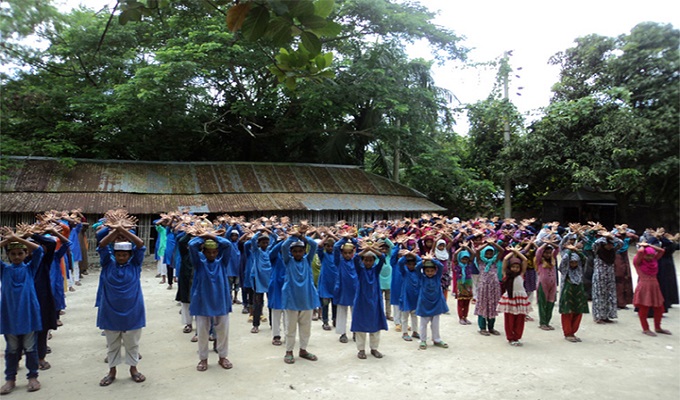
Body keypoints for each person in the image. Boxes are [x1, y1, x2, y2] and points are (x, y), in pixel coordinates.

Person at [96, 222, 147, 386]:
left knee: (132, 344)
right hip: (110, 311)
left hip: (133, 311)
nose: (122, 257)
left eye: (125, 254)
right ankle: (112, 371)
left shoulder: (135, 265)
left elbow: (140, 244)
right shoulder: (107, 264)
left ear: (130, 255)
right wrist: (115, 231)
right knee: (112, 345)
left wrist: (123, 230)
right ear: (114, 254)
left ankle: (133, 369)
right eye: (119, 254)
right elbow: (102, 244)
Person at [0, 230, 44, 394]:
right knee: (11, 349)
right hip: (10, 314)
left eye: (20, 253)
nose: (17, 257)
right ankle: (10, 379)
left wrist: (17, 238)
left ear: (26, 254)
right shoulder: (4, 270)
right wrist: (7, 241)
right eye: (13, 254)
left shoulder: (30, 268)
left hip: (28, 313)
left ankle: (33, 376)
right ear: (8, 256)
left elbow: (38, 250)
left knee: (30, 348)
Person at [188, 232, 233, 372]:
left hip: (221, 301)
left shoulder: (222, 263)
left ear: (218, 252)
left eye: (214, 252)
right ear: (204, 252)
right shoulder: (199, 263)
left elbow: (228, 244)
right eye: (209, 252)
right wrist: (203, 236)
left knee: (223, 331)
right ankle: (203, 359)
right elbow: (191, 245)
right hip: (203, 302)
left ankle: (222, 357)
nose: (212, 255)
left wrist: (212, 236)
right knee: (202, 332)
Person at [280, 227, 320, 364]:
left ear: (304, 251)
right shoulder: (288, 261)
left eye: (300, 251)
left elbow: (314, 245)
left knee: (306, 328)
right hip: (291, 300)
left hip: (307, 300)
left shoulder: (307, 260)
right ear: (291, 253)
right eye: (295, 251)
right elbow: (284, 246)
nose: (298, 253)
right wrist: (293, 237)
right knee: (290, 328)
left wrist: (302, 237)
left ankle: (303, 350)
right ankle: (289, 351)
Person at [352, 246, 388, 359]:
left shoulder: (376, 270)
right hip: (361, 302)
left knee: (375, 326)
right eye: (366, 260)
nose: (368, 262)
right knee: (360, 326)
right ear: (362, 261)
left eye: (371, 260)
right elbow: (355, 259)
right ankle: (361, 350)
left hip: (374, 301)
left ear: (373, 261)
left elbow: (382, 258)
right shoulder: (360, 270)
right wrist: (365, 250)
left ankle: (374, 348)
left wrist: (372, 249)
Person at [632, 243, 671, 336]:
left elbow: (662, 251)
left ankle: (658, 327)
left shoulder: (654, 261)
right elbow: (641, 252)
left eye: (652, 255)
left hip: (655, 286)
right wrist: (643, 246)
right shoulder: (638, 262)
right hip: (644, 287)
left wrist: (649, 245)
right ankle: (645, 328)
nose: (650, 257)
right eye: (648, 255)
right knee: (644, 308)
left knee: (659, 308)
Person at [497, 249, 531, 346]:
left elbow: (525, 260)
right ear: (509, 267)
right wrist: (512, 251)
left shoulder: (521, 274)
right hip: (510, 299)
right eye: (513, 267)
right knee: (509, 319)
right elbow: (504, 260)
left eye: (517, 267)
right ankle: (510, 337)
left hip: (520, 299)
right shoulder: (506, 275)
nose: (515, 269)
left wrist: (517, 252)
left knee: (520, 319)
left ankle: (517, 337)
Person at [415, 257, 450, 350]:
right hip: (424, 304)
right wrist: (423, 261)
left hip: (436, 304)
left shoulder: (437, 277)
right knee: (423, 324)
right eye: (427, 271)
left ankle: (436, 339)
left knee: (435, 324)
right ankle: (423, 340)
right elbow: (417, 268)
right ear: (424, 271)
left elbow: (441, 266)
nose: (430, 273)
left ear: (435, 270)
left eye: (432, 270)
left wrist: (432, 259)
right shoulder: (422, 278)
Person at [558, 247, 589, 342]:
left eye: (575, 262)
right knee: (568, 313)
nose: (573, 264)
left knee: (578, 313)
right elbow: (564, 260)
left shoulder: (580, 271)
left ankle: (573, 332)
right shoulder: (565, 271)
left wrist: (576, 250)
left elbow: (585, 259)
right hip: (568, 294)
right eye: (571, 262)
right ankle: (568, 333)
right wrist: (569, 251)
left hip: (579, 294)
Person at [474, 241, 504, 336]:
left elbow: (501, 250)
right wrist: (487, 244)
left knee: (492, 306)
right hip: (484, 287)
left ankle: (491, 327)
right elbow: (478, 250)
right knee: (483, 306)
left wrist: (493, 244)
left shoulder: (494, 261)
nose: (489, 255)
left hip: (494, 287)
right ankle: (482, 327)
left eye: (491, 253)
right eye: (487, 253)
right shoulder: (480, 261)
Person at [592, 233, 623, 323]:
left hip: (610, 276)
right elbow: (595, 244)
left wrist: (612, 237)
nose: (610, 246)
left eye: (611, 244)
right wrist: (604, 237)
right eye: (607, 244)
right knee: (599, 296)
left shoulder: (612, 251)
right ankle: (598, 317)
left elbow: (621, 243)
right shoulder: (598, 251)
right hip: (599, 277)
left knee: (609, 296)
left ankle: (606, 316)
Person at [333, 234, 359, 343]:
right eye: (345, 253)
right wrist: (344, 238)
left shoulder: (356, 260)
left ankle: (356, 332)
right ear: (342, 253)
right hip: (342, 290)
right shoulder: (339, 261)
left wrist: (352, 239)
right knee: (341, 312)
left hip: (355, 289)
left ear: (353, 253)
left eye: (350, 253)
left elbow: (360, 247)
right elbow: (335, 247)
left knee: (356, 312)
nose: (347, 255)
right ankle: (342, 333)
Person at [398, 250, 421, 341]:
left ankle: (415, 331)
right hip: (406, 297)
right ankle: (405, 332)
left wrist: (412, 254)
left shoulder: (418, 272)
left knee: (415, 315)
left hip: (415, 297)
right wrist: (406, 255)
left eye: (413, 264)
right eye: (409, 264)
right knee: (405, 316)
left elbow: (420, 261)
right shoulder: (405, 272)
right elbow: (400, 262)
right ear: (406, 265)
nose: (411, 266)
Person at [535, 242, 559, 331]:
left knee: (551, 303)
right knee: (542, 303)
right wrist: (545, 243)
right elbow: (538, 251)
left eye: (549, 253)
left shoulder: (553, 260)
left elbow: (557, 249)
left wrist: (551, 243)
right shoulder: (539, 262)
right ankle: (542, 322)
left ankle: (547, 322)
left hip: (552, 285)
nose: (548, 255)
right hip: (543, 285)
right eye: (546, 253)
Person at [453, 244, 475, 325]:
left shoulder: (469, 265)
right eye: (463, 258)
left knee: (467, 302)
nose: (465, 260)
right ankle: (460, 317)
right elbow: (455, 254)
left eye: (466, 258)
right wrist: (461, 248)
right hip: (460, 285)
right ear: (460, 258)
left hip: (468, 284)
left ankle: (465, 316)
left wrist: (467, 248)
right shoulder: (457, 265)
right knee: (460, 302)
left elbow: (473, 254)